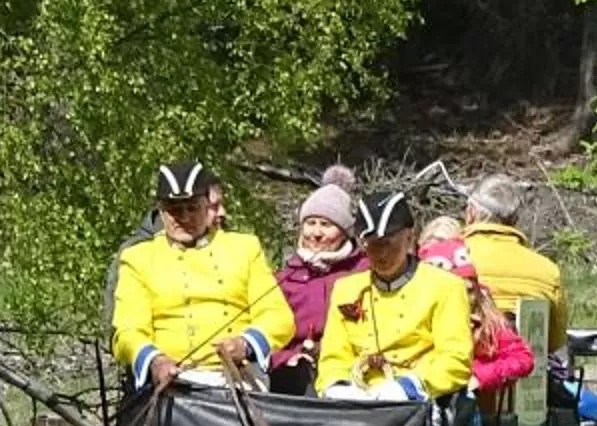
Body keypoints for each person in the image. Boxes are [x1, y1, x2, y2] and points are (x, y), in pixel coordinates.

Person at [109, 160, 294, 390]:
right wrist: (156, 362)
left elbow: (278, 316)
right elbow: (128, 331)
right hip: (171, 382)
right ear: (161, 210)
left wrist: (244, 344)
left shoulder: (244, 248)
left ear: (208, 206)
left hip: (238, 379)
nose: (185, 217)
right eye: (175, 210)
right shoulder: (138, 258)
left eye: (192, 208)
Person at [315, 194, 476, 401]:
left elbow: (455, 360)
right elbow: (334, 357)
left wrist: (410, 387)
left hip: (419, 405)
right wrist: (337, 386)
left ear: (409, 237)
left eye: (387, 243)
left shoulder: (445, 286)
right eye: (370, 244)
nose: (379, 253)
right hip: (357, 404)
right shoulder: (346, 289)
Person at [419, 217, 535, 397]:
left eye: (466, 290)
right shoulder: (412, 309)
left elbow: (522, 358)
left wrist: (479, 375)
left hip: (469, 404)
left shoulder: (483, 311)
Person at [272, 166, 363, 394]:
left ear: (344, 231)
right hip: (293, 375)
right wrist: (286, 358)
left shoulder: (362, 272)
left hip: (350, 371)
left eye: (326, 225)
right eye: (310, 223)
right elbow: (270, 329)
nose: (316, 233)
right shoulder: (285, 277)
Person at [457, 175, 566, 329]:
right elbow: (555, 341)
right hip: (526, 352)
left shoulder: (447, 262)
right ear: (514, 220)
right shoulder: (548, 271)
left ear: (471, 213)